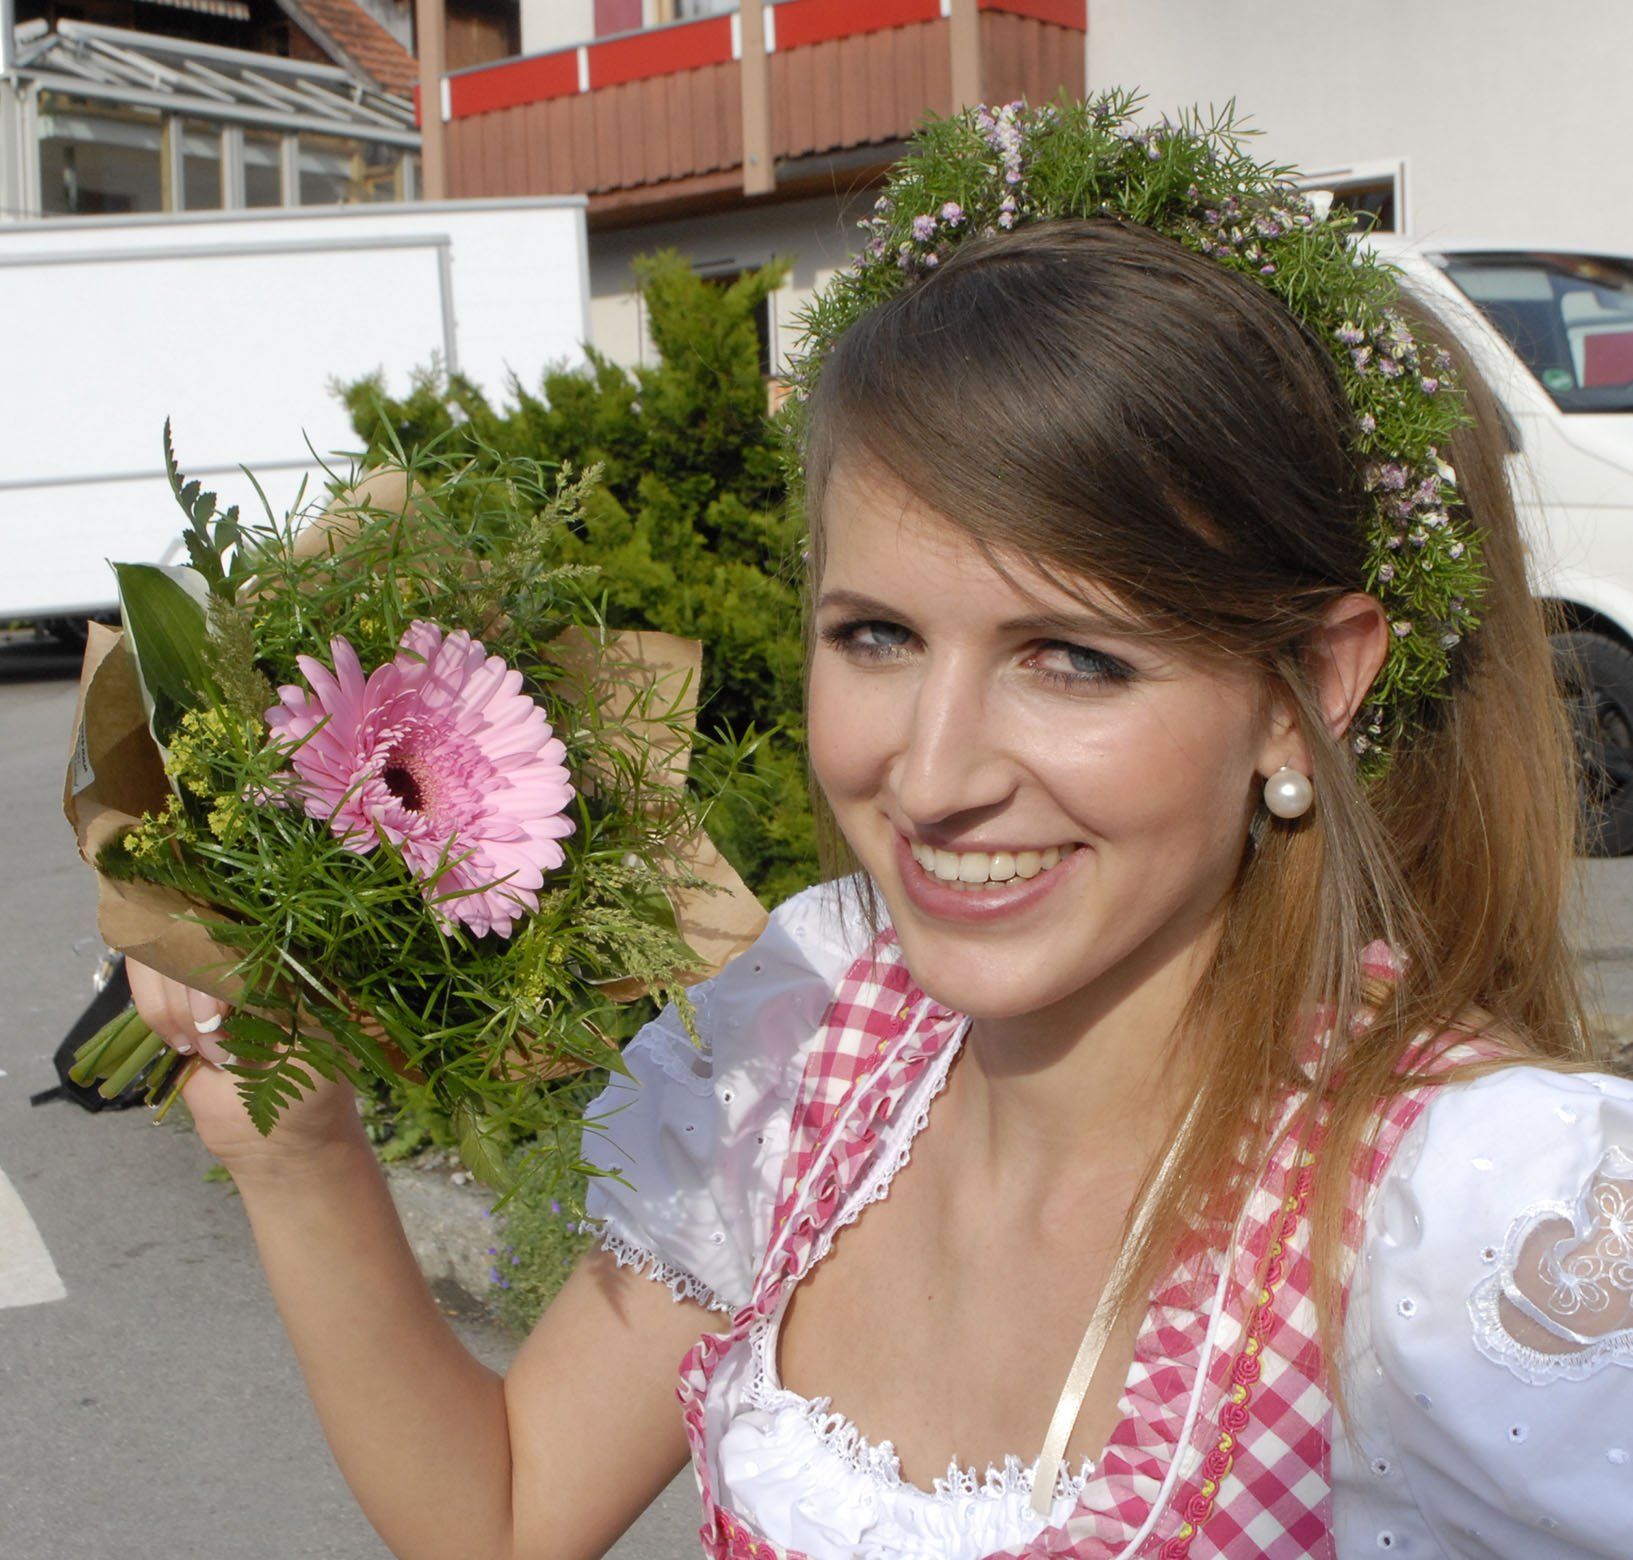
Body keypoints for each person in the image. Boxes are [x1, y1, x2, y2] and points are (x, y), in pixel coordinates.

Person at [128, 98, 1633, 1559]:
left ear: (1307, 688)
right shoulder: (819, 1041)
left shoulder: (1472, 1233)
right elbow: (507, 1515)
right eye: (877, 635)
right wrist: (292, 1143)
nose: (929, 774)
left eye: (1071, 656)